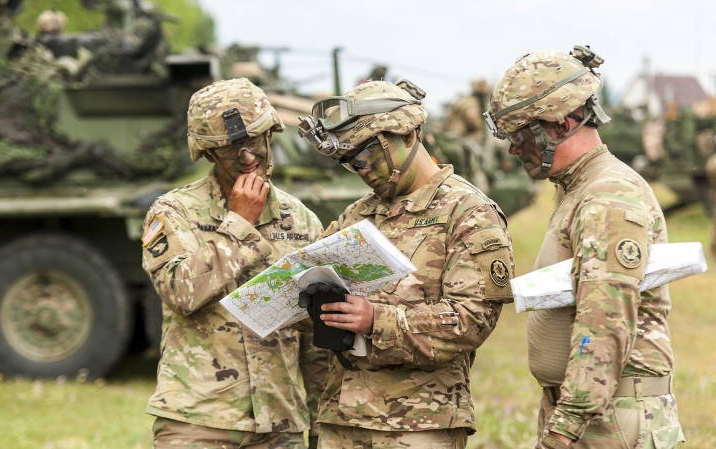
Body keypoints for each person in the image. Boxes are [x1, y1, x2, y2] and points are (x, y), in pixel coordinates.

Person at [297, 79, 515, 448]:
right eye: (351, 162)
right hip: (342, 418)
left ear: (409, 135)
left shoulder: (468, 212)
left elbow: (472, 320)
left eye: (368, 154)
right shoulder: (358, 214)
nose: (362, 169)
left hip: (418, 424)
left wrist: (374, 320)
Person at [484, 46, 684, 449]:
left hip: (607, 418)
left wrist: (563, 430)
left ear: (562, 123)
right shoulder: (579, 189)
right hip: (593, 414)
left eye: (521, 134)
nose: (513, 148)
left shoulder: (607, 195)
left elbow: (604, 324)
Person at [141, 78, 328, 449]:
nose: (246, 158)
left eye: (254, 142)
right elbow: (181, 292)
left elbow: (317, 342)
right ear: (208, 154)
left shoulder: (302, 220)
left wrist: (323, 430)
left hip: (280, 424)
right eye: (230, 149)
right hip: (198, 420)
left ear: (271, 135)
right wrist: (239, 223)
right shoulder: (173, 212)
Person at [444, 79, 493, 144]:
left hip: (453, 135)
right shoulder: (470, 103)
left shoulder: (465, 99)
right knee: (480, 135)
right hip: (457, 137)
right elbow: (475, 123)